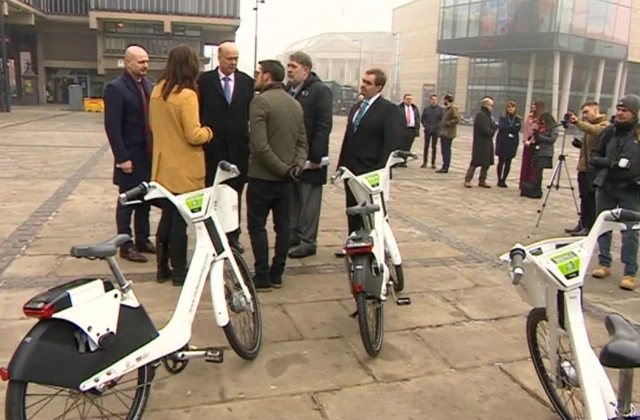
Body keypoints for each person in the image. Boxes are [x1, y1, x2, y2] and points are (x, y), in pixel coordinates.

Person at [149, 45, 213, 286]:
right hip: (184, 167)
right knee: (179, 222)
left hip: (163, 165)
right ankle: (179, 271)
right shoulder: (187, 95)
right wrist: (209, 132)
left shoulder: (157, 91)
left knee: (167, 216)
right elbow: (194, 135)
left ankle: (161, 267)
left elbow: (154, 127)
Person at [247, 59, 308, 291]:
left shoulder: (260, 102)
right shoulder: (294, 104)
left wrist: (282, 168)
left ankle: (262, 275)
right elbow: (303, 142)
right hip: (287, 180)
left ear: (268, 76)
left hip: (263, 178)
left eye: (258, 73)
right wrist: (296, 166)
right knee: (283, 227)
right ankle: (277, 273)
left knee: (257, 226)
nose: (256, 77)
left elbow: (260, 146)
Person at [334, 68, 402, 257]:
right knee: (353, 209)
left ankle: (379, 245)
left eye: (368, 83)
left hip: (372, 170)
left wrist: (382, 170)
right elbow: (349, 138)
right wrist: (342, 165)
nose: (363, 85)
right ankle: (354, 243)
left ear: (379, 87)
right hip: (352, 169)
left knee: (374, 212)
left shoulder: (388, 110)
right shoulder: (357, 107)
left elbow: (391, 143)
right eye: (363, 81)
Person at [198, 41, 254, 253]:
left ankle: (233, 236)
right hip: (212, 149)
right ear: (219, 57)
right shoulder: (205, 81)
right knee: (212, 195)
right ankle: (213, 237)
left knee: (234, 196)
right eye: (229, 58)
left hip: (238, 150)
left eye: (236, 58)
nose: (233, 62)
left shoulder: (247, 82)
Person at [103, 45, 156, 263]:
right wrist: (122, 157)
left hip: (147, 154)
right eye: (140, 62)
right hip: (129, 156)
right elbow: (112, 126)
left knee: (145, 199)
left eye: (146, 61)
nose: (145, 65)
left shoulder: (150, 86)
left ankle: (143, 239)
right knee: (127, 201)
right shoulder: (115, 88)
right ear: (128, 63)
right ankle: (125, 244)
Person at [284, 51, 333, 259]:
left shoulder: (320, 91)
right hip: (292, 156)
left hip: (311, 157)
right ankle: (294, 234)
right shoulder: (288, 90)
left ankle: (308, 240)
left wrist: (316, 156)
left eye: (293, 67)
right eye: (288, 66)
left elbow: (324, 125)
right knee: (292, 198)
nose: (289, 70)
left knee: (309, 199)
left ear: (306, 70)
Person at [589, 94, 640, 291]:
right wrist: (610, 164)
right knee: (603, 226)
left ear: (634, 113)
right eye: (618, 109)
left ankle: (629, 272)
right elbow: (594, 156)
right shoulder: (609, 132)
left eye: (625, 110)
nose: (620, 113)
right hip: (607, 186)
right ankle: (604, 263)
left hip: (630, 190)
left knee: (631, 231)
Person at [564, 101, 609, 236]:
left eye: (586, 112)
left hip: (593, 168)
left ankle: (590, 225)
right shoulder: (589, 126)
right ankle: (583, 223)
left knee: (591, 198)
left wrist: (577, 122)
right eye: (583, 113)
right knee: (584, 197)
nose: (585, 116)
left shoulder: (604, 126)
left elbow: (594, 131)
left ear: (596, 110)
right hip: (584, 167)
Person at [464, 96, 497, 188]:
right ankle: (468, 179)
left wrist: (494, 128)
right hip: (480, 143)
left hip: (488, 142)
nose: (492, 107)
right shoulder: (480, 115)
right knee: (475, 162)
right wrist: (492, 131)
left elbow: (493, 126)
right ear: (486, 105)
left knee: (486, 163)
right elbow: (484, 129)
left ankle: (482, 180)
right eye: (491, 105)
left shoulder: (488, 116)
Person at [527, 112, 559, 198]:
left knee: (539, 171)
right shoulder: (542, 127)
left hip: (545, 152)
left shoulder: (553, 128)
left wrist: (539, 136)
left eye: (544, 120)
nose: (542, 122)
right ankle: (535, 188)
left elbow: (551, 140)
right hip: (538, 150)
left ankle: (538, 190)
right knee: (536, 171)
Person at [520, 99, 545, 198]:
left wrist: (531, 141)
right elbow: (526, 129)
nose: (533, 106)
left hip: (535, 144)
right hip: (527, 144)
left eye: (535, 105)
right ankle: (523, 184)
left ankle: (530, 185)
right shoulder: (529, 116)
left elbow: (538, 132)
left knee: (532, 166)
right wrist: (525, 140)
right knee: (525, 165)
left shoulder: (542, 118)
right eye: (532, 104)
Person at [495, 100, 522, 188]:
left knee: (508, 162)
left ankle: (504, 179)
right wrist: (511, 127)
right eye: (509, 107)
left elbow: (517, 129)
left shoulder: (518, 118)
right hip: (503, 140)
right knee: (501, 161)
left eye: (512, 107)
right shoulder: (503, 117)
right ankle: (499, 179)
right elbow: (502, 127)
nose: (511, 109)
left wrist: (510, 128)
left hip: (512, 142)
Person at [436, 93, 460, 174]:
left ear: (446, 100)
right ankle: (444, 165)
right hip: (444, 132)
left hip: (448, 133)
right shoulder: (447, 108)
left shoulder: (453, 108)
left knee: (446, 150)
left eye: (444, 100)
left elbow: (456, 119)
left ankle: (445, 167)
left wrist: (447, 123)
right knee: (444, 150)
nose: (444, 101)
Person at [420, 93, 444, 169]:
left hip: (435, 131)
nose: (434, 101)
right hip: (427, 130)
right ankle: (425, 162)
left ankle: (433, 163)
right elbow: (422, 118)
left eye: (435, 99)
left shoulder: (440, 110)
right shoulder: (426, 109)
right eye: (432, 99)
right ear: (430, 100)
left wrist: (438, 126)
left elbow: (442, 119)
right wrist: (425, 125)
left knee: (434, 147)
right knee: (426, 146)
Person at [397, 93, 420, 167]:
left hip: (411, 129)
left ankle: (404, 161)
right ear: (404, 100)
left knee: (408, 146)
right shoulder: (399, 108)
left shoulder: (414, 108)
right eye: (407, 99)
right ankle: (399, 160)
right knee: (401, 145)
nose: (409, 100)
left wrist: (417, 129)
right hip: (402, 129)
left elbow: (417, 119)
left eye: (410, 99)